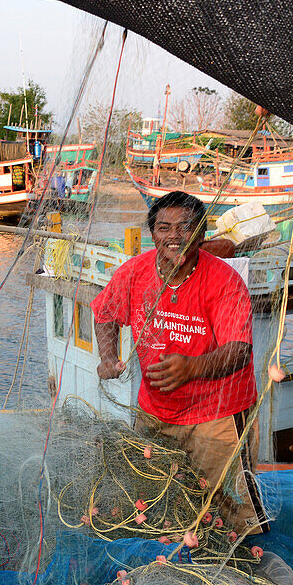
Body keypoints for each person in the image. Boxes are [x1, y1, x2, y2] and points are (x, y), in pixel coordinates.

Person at [91, 191, 268, 536]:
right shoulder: (135, 273)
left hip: (217, 418)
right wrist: (107, 356)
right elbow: (106, 313)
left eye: (186, 227)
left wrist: (192, 368)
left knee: (231, 508)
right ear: (152, 234)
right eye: (163, 227)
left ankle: (243, 564)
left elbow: (239, 350)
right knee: (156, 497)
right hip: (155, 414)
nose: (174, 236)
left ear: (202, 234)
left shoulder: (224, 282)